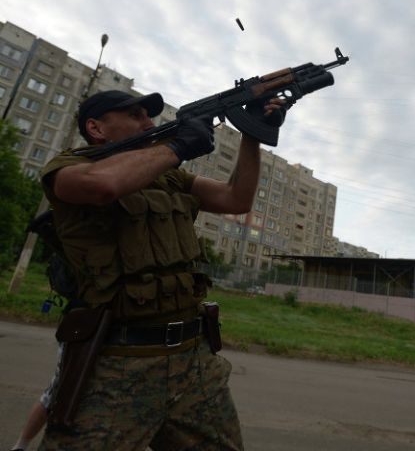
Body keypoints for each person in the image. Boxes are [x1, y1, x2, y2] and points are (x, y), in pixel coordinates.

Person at [37, 89, 283, 450]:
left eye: (148, 115)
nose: (149, 123)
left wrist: (252, 133)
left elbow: (237, 198)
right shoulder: (68, 167)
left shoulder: (170, 178)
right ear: (96, 128)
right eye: (135, 115)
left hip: (193, 360)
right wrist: (178, 148)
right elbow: (103, 186)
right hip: (117, 365)